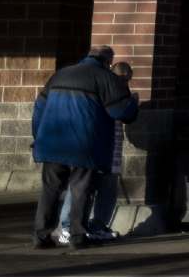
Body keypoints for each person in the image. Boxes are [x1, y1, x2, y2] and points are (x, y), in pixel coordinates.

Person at [31, 45, 140, 250]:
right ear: (108, 61)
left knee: (50, 190)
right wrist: (132, 102)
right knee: (81, 190)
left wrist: (39, 137)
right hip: (84, 145)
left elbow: (39, 109)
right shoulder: (105, 77)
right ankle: (77, 236)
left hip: (53, 141)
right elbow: (121, 112)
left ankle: (40, 235)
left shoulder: (60, 74)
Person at [57, 61, 134, 245]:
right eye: (123, 80)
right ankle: (67, 226)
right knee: (80, 187)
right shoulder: (102, 91)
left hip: (111, 149)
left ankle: (97, 226)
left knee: (106, 189)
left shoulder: (121, 93)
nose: (125, 84)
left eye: (127, 81)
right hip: (93, 147)